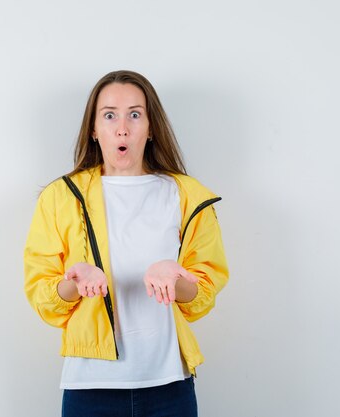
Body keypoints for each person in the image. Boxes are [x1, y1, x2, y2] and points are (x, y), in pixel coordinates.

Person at [24, 70, 229, 417]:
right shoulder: (61, 197)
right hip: (90, 389)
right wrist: (73, 283)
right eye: (109, 115)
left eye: (135, 114)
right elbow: (42, 294)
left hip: (170, 387)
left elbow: (203, 293)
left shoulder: (186, 196)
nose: (122, 127)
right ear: (93, 129)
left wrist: (175, 279)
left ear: (150, 127)